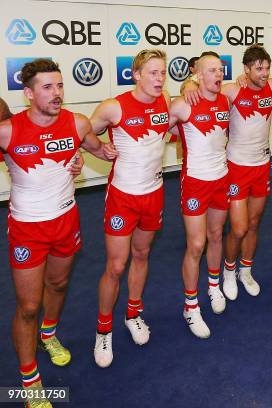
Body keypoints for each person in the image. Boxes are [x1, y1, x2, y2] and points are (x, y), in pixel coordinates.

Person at [0, 58, 115, 407]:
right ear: (29, 94)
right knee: (29, 306)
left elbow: (104, 151)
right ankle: (30, 381)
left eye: (60, 85)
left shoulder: (77, 124)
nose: (57, 93)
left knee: (60, 284)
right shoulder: (8, 130)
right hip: (27, 228)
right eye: (47, 87)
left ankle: (48, 335)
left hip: (66, 220)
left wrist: (91, 158)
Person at [183, 45, 272, 300]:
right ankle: (229, 270)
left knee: (254, 224)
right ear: (246, 69)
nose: (263, 73)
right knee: (238, 228)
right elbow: (204, 90)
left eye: (266, 67)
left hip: (262, 167)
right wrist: (189, 86)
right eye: (258, 68)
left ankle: (246, 269)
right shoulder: (232, 90)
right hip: (236, 168)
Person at [90, 49, 170, 368]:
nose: (159, 78)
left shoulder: (168, 102)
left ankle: (133, 313)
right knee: (116, 266)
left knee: (141, 255)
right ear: (135, 74)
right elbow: (80, 131)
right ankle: (103, 329)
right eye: (152, 72)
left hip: (154, 193)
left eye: (163, 72)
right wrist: (98, 149)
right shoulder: (115, 106)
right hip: (123, 195)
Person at [168, 52, 230, 338]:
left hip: (221, 178)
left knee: (216, 236)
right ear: (197, 75)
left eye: (221, 70)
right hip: (195, 182)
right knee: (196, 244)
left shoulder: (226, 98)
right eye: (212, 70)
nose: (218, 75)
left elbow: (262, 83)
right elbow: (153, 127)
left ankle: (214, 286)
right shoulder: (183, 104)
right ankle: (191, 306)